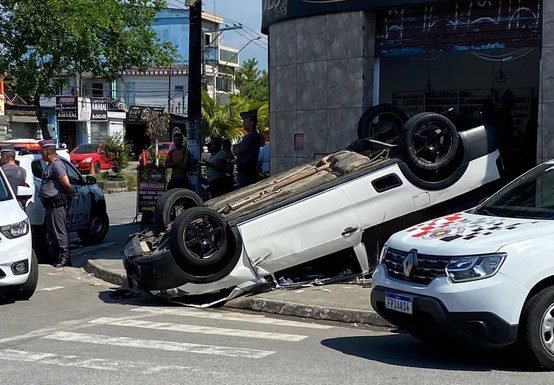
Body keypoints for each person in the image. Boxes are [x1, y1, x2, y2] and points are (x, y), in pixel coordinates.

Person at [39, 140, 74, 268]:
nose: (40, 153)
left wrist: (70, 193)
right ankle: (56, 256)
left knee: (60, 231)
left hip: (57, 204)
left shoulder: (57, 165)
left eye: (42, 151)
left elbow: (66, 183)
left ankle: (65, 257)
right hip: (49, 205)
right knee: (52, 232)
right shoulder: (49, 165)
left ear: (48, 152)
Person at [233, 109, 263, 188]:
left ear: (251, 123)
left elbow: (238, 150)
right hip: (245, 172)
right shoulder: (251, 136)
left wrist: (237, 148)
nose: (243, 124)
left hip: (247, 173)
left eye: (245, 122)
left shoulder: (251, 136)